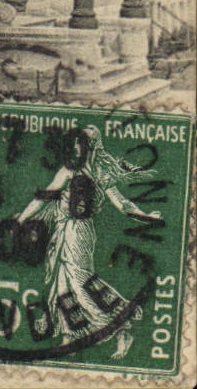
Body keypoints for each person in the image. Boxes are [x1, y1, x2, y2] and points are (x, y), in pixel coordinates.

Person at [12, 125, 161, 359]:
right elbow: (44, 197)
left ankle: (121, 329)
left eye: (82, 142)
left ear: (90, 146)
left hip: (79, 233)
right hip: (62, 232)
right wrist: (21, 218)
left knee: (81, 283)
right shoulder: (70, 171)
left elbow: (122, 204)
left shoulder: (98, 173)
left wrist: (147, 217)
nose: (77, 146)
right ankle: (71, 336)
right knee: (62, 286)